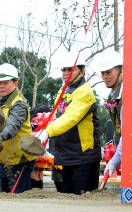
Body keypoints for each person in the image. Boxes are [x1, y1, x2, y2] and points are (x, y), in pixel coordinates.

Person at [38, 53, 102, 194]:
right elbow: (56, 116)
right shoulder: (63, 90)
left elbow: (70, 118)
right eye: (64, 70)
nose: (66, 73)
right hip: (63, 154)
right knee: (64, 199)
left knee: (82, 200)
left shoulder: (85, 92)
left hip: (83, 157)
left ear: (82, 71)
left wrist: (47, 133)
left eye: (71, 69)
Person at [0, 63, 36, 193]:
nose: (1, 86)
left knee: (18, 199)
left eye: (5, 82)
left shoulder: (19, 104)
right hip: (6, 159)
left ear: (15, 83)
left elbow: (11, 127)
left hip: (21, 159)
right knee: (5, 197)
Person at [92, 48, 123, 179]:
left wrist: (114, 161)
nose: (105, 76)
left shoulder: (127, 93)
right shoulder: (113, 94)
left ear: (121, 70)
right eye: (103, 73)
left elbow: (127, 135)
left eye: (109, 72)